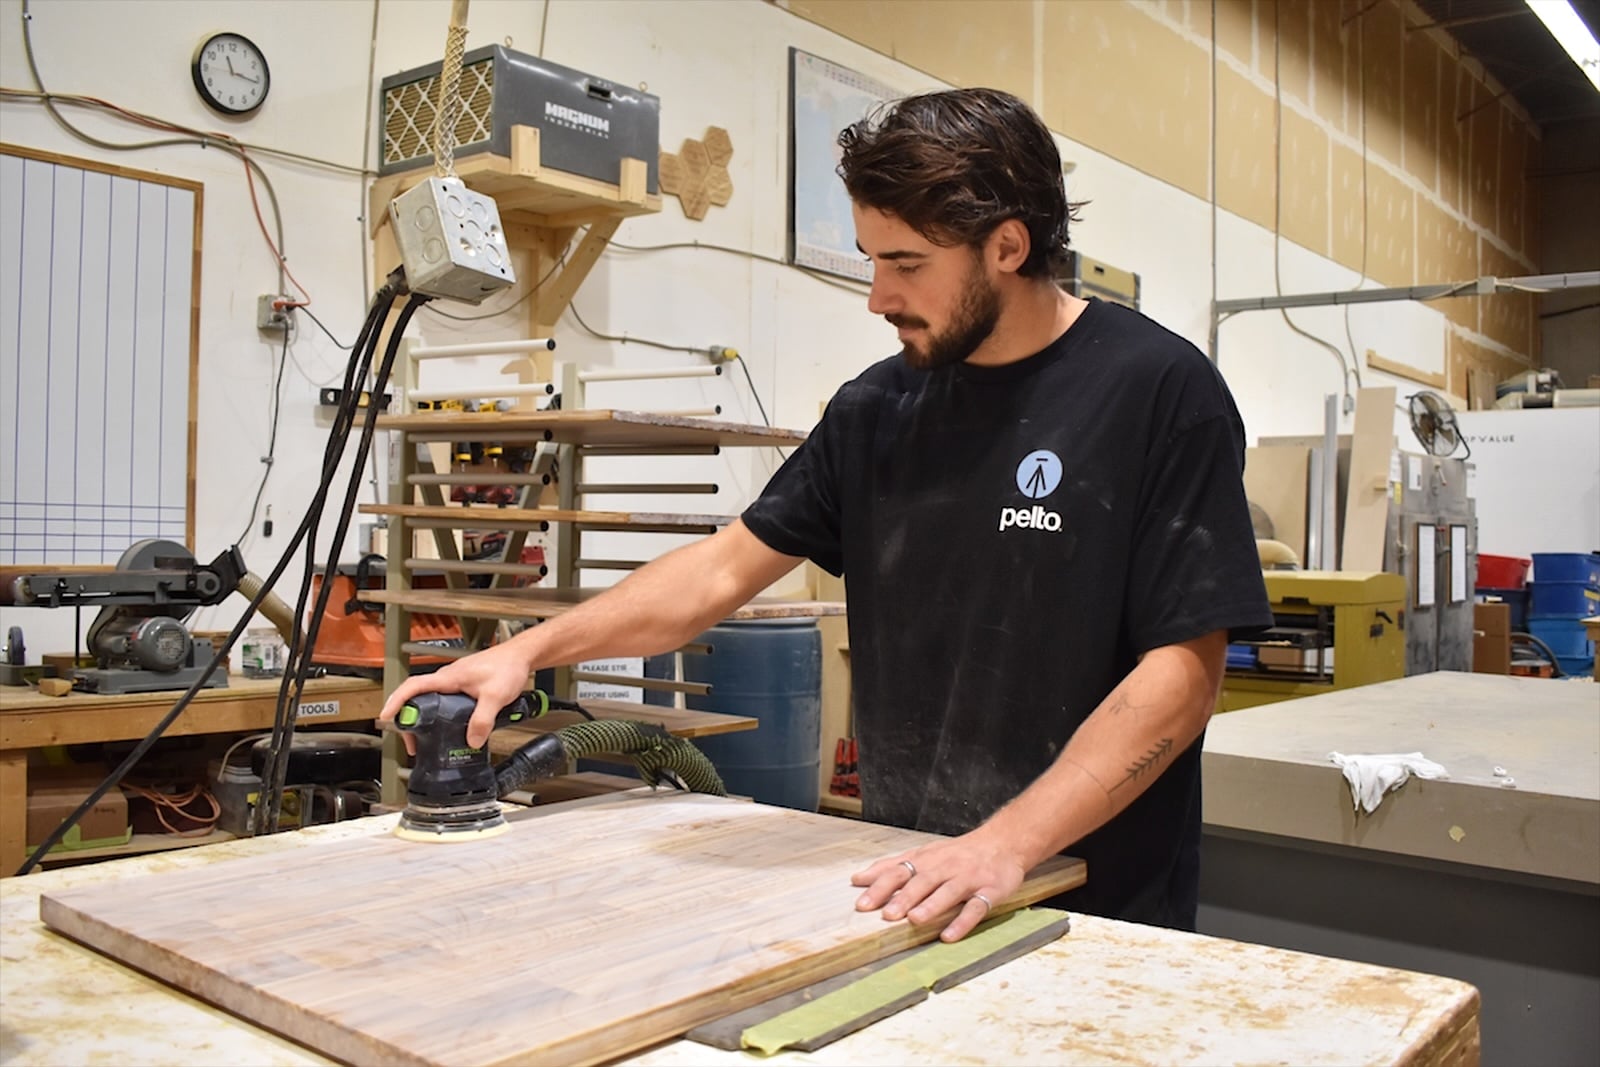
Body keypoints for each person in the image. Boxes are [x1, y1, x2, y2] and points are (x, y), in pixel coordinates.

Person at [381, 87, 1272, 942]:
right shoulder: (879, 408)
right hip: (907, 884)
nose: (878, 296)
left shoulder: (1159, 392)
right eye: (871, 260)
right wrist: (523, 652)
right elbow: (721, 570)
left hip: (1093, 898)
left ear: (1007, 245)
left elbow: (1184, 673)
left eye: (906, 264)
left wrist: (1010, 842)